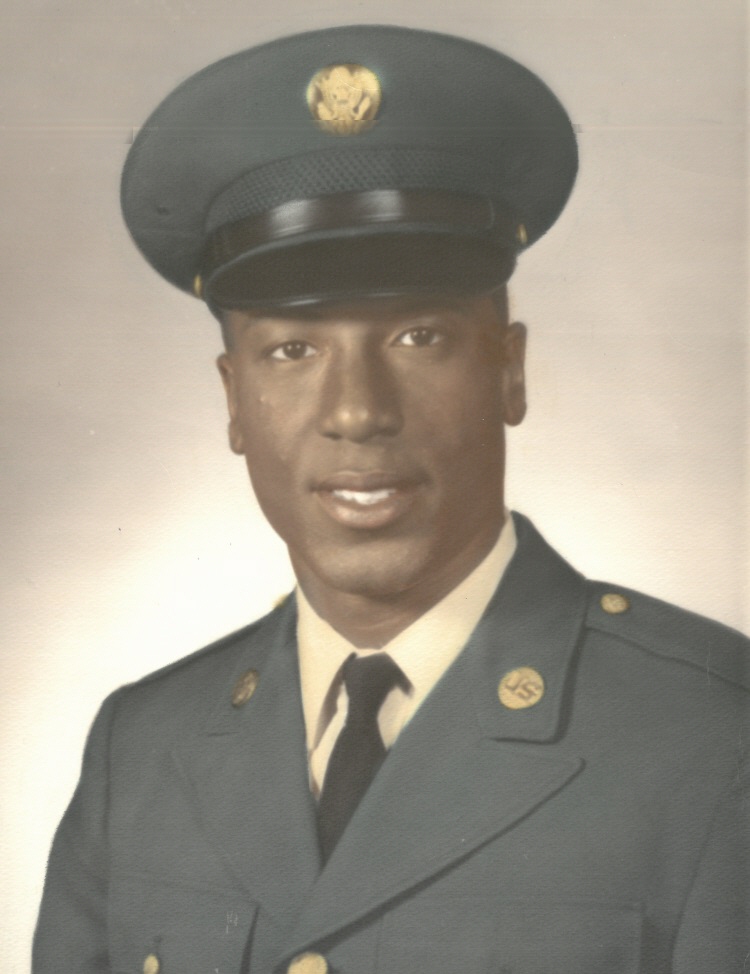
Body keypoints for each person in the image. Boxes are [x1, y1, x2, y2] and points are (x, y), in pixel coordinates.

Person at [33, 24, 748, 974]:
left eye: (419, 337)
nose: (358, 412)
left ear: (509, 372)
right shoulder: (141, 750)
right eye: (293, 350)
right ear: (234, 400)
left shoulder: (714, 739)